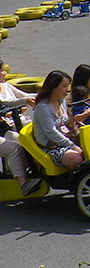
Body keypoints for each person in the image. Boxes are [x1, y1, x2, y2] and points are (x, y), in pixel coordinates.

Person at [0, 60, 42, 195]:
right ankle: (23, 184)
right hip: (5, 127)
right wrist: (9, 111)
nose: (5, 73)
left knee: (29, 139)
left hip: (7, 126)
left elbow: (24, 97)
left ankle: (31, 169)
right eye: (2, 70)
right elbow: (6, 104)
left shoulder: (6, 86)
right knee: (15, 147)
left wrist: (46, 96)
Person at [32, 70, 84, 169]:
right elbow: (51, 132)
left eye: (68, 86)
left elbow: (68, 123)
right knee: (76, 158)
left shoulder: (62, 101)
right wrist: (73, 146)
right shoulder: (43, 107)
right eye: (64, 86)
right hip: (51, 147)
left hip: (65, 141)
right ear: (53, 87)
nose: (67, 90)